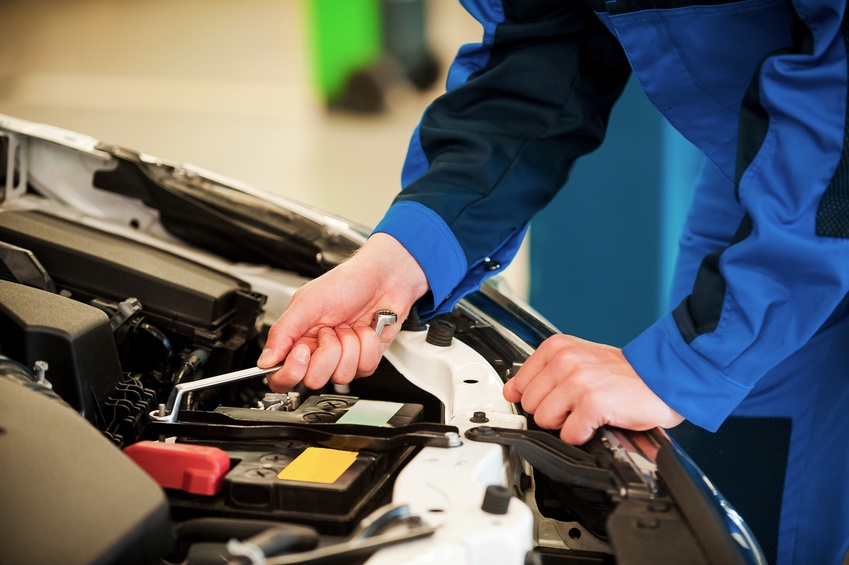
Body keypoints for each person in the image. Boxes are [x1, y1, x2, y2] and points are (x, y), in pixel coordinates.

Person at [256, 0, 849, 563]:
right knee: (742, 489)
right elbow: (543, 42)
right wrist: (405, 253)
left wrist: (690, 362)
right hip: (775, 155)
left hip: (828, 169)